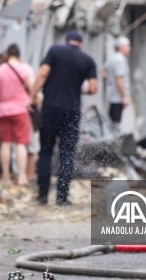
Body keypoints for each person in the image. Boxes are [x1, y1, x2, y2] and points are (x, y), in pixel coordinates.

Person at [30, 30, 98, 206]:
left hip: (51, 108)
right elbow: (93, 88)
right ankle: (62, 197)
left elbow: (43, 74)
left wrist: (33, 96)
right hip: (72, 111)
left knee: (46, 150)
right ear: (81, 44)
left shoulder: (54, 51)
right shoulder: (87, 60)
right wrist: (78, 89)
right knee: (67, 153)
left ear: (67, 41)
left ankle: (43, 194)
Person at [0, 44, 34, 186]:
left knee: (5, 143)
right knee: (21, 143)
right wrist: (33, 101)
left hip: (3, 111)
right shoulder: (25, 68)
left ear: (7, 55)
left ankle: (5, 176)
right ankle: (22, 177)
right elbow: (33, 86)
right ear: (19, 55)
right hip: (21, 110)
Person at [103, 36, 131, 130]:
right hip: (117, 96)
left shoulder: (113, 58)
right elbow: (119, 79)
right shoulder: (119, 60)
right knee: (115, 123)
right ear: (120, 47)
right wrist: (124, 96)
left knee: (112, 122)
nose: (129, 49)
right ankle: (112, 143)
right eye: (127, 46)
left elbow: (103, 71)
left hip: (112, 94)